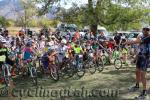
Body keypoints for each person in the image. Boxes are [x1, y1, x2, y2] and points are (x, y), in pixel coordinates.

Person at [127, 27, 150, 99]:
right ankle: (136, 86)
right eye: (144, 29)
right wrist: (135, 58)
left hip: (146, 57)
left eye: (147, 30)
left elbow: (137, 42)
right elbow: (140, 49)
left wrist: (127, 42)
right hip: (140, 56)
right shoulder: (142, 36)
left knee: (143, 74)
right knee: (137, 71)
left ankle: (144, 92)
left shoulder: (148, 37)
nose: (145, 31)